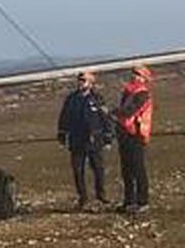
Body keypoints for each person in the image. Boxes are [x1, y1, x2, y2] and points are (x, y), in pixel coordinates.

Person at [56, 70, 113, 209]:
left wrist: (108, 137)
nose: (81, 83)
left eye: (84, 81)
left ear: (91, 83)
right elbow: (64, 117)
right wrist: (62, 134)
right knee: (78, 169)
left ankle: (101, 195)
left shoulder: (97, 98)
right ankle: (83, 197)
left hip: (94, 139)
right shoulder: (71, 99)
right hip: (77, 139)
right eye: (80, 80)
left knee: (98, 168)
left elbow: (105, 118)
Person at [115, 63, 154, 213]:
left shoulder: (143, 94)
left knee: (138, 169)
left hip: (136, 135)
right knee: (126, 169)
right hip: (124, 133)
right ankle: (129, 200)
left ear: (144, 78)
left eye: (138, 75)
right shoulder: (128, 92)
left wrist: (115, 111)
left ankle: (142, 201)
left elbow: (129, 111)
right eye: (133, 74)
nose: (134, 76)